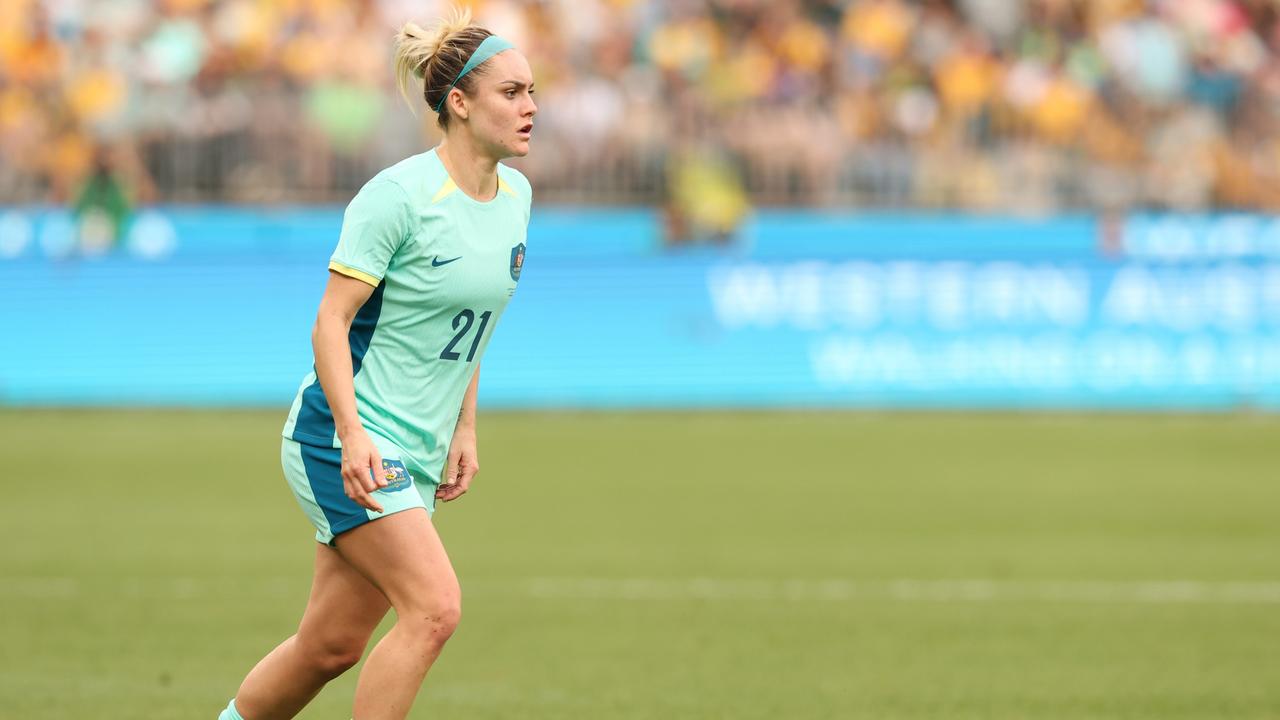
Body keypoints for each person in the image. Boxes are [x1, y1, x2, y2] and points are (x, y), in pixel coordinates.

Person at [217, 8, 536, 720]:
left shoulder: (516, 199)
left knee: (328, 646)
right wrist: (356, 436)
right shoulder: (398, 197)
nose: (531, 107)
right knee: (433, 609)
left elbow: (469, 327)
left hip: (418, 446)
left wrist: (464, 428)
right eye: (511, 92)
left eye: (531, 91)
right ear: (459, 103)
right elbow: (330, 322)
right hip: (344, 438)